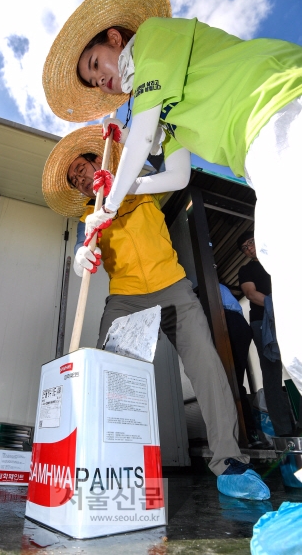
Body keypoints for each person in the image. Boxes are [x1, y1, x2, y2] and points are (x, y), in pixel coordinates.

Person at [43, 0, 302, 394]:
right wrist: (122, 193)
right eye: (92, 83)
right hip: (257, 149)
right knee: (284, 260)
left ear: (114, 38)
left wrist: (109, 199)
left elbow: (141, 135)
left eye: (95, 65)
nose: (99, 82)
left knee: (289, 256)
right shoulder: (165, 109)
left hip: (280, 104)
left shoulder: (151, 39)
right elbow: (177, 176)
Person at [42, 124, 270, 501]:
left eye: (85, 168)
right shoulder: (91, 214)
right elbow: (84, 262)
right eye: (76, 180)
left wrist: (125, 144)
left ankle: (229, 462)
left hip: (174, 289)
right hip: (126, 298)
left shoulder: (144, 185)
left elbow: (169, 165)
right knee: (105, 373)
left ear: (102, 160)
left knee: (207, 367)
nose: (83, 179)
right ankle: (98, 459)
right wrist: (83, 255)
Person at [237, 231, 294, 437]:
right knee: (271, 374)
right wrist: (279, 304)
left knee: (297, 365)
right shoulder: (246, 270)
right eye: (245, 247)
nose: (249, 248)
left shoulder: (278, 260)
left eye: (250, 242)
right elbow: (251, 294)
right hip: (262, 322)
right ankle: (285, 432)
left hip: (288, 318)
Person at [219, 283, 266, 449]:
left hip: (228, 323)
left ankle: (245, 435)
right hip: (239, 325)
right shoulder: (222, 288)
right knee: (235, 381)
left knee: (230, 382)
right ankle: (250, 435)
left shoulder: (208, 288)